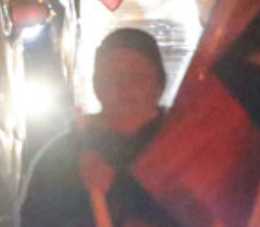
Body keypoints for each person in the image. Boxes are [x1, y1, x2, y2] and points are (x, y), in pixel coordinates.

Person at [19, 28, 169, 227]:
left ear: (158, 82)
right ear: (96, 84)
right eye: (109, 77)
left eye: (135, 77)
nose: (122, 87)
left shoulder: (185, 146)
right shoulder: (61, 159)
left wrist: (116, 188)